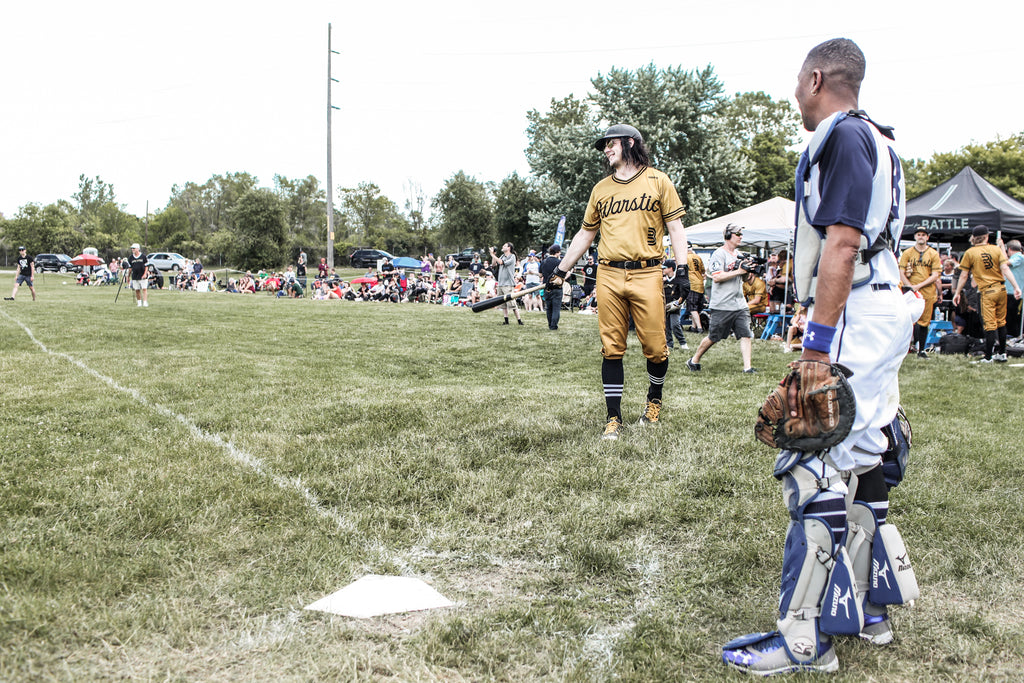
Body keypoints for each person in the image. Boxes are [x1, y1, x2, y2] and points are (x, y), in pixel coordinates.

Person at [723, 38, 921, 675]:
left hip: (857, 308)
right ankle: (868, 610)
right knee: (867, 453)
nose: (795, 95)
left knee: (811, 463)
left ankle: (806, 636)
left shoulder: (840, 134)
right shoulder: (881, 139)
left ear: (815, 78)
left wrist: (816, 347)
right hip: (883, 305)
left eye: (796, 82)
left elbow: (842, 244)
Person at [546, 123, 688, 440]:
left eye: (611, 144)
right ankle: (614, 418)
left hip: (648, 272)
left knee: (656, 348)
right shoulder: (601, 189)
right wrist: (561, 270)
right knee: (611, 349)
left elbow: (676, 229)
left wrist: (682, 269)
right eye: (605, 146)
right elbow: (585, 234)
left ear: (630, 143)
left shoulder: (658, 181)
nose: (607, 150)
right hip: (609, 273)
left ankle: (654, 399)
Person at [685, 224, 757, 374]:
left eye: (741, 234)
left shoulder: (739, 254)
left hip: (739, 303)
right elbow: (717, 277)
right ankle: (694, 360)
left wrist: (747, 271)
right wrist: (739, 270)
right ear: (729, 236)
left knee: (746, 334)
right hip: (722, 304)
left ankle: (747, 368)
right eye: (738, 234)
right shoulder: (719, 254)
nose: (741, 237)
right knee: (714, 337)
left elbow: (743, 278)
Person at [953, 225, 1022, 362]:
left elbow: (963, 275)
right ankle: (1002, 353)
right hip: (1001, 289)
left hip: (986, 291)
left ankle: (988, 356)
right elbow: (1005, 269)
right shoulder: (996, 249)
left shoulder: (970, 252)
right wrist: (1016, 287)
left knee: (989, 325)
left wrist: (958, 292)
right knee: (1001, 323)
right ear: (986, 236)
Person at [898, 227, 942, 357]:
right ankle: (904, 348)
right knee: (906, 319)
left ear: (927, 237)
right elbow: (901, 272)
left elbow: (935, 275)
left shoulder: (933, 253)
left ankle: (921, 349)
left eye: (923, 234)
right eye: (918, 234)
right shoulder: (907, 253)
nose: (921, 237)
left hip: (926, 290)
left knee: (924, 321)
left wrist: (919, 286)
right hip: (909, 290)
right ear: (915, 237)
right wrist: (910, 286)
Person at [489, 243, 524, 325]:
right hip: (501, 283)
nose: (502, 247)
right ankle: (506, 320)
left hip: (508, 283)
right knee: (503, 303)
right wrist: (493, 255)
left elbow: (502, 263)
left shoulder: (512, 257)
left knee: (512, 303)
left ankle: (519, 320)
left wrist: (492, 255)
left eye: (504, 246)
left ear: (509, 248)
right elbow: (494, 264)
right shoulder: (502, 256)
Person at [662, 260, 689, 349]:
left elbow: (683, 292)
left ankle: (683, 343)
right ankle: (669, 344)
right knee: (666, 326)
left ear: (670, 269)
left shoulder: (678, 280)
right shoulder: (662, 279)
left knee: (675, 324)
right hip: (665, 306)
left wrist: (678, 302)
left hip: (675, 306)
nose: (662, 270)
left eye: (664, 268)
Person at [1000, 238, 1024, 337]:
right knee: (1008, 317)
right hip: (1009, 292)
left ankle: (1014, 336)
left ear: (1009, 249)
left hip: (1015, 293)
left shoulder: (1019, 257)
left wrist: (1001, 247)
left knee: (1012, 317)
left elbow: (1004, 263)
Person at [540, 244, 564, 330]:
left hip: (547, 287)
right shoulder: (559, 262)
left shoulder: (544, 261)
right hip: (557, 288)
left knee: (549, 308)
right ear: (557, 253)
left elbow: (540, 275)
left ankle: (550, 324)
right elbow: (565, 273)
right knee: (556, 308)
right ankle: (554, 326)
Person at [685, 245, 706, 332]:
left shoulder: (685, 258)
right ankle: (693, 327)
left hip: (692, 284)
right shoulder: (698, 257)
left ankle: (699, 327)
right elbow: (703, 270)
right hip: (700, 284)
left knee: (692, 307)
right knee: (696, 307)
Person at [768, 249, 793, 314]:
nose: (778, 264)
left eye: (779, 261)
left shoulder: (788, 264)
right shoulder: (789, 264)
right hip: (781, 290)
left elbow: (784, 279)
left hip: (787, 290)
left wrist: (774, 281)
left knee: (778, 310)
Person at [126, 243, 150, 307]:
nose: (132, 249)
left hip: (142, 275)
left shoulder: (143, 257)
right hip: (135, 276)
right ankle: (139, 302)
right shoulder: (130, 258)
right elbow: (130, 268)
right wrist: (128, 276)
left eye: (134, 248)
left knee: (144, 289)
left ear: (138, 249)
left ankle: (145, 302)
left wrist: (145, 274)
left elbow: (146, 266)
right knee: (137, 289)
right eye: (132, 248)